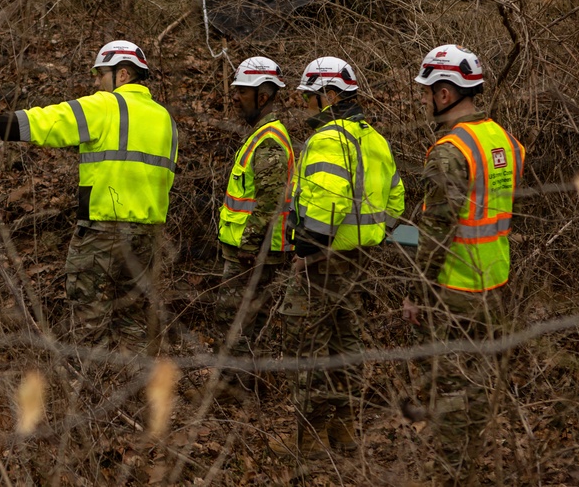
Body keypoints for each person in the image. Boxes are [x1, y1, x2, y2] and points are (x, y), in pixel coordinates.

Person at [0, 40, 178, 346]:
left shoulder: (104, 105)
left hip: (103, 232)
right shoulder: (165, 119)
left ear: (123, 75)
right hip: (148, 237)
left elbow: (47, 121)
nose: (96, 82)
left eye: (101, 74)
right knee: (134, 322)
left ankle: (89, 390)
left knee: (89, 321)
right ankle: (135, 389)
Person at [402, 44, 525, 486]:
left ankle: (453, 476)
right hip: (495, 285)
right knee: (476, 390)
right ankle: (470, 466)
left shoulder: (449, 151)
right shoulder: (506, 141)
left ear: (446, 93)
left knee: (451, 393)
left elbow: (436, 232)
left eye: (427, 91)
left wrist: (417, 293)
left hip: (454, 293)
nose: (423, 99)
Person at [277, 56, 405, 459]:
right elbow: (397, 199)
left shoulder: (328, 139)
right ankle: (345, 427)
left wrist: (304, 253)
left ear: (329, 96)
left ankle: (312, 437)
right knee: (346, 342)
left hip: (322, 259)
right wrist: (371, 233)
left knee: (311, 344)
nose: (305, 106)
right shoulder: (375, 138)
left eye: (310, 97)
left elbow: (326, 207)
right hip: (359, 258)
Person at [216, 56, 296, 363]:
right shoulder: (262, 134)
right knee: (244, 323)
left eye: (243, 92)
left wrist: (249, 245)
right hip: (249, 249)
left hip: (252, 253)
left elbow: (269, 200)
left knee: (234, 322)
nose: (236, 98)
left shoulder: (269, 141)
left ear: (263, 96)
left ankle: (233, 392)